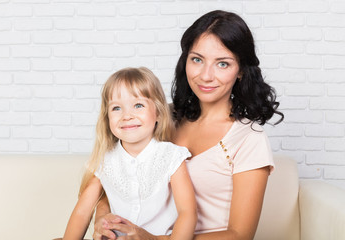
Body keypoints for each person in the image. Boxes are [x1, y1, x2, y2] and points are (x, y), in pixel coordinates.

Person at [93, 10, 284, 240]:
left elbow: (239, 235)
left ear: (241, 70)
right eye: (197, 60)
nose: (206, 76)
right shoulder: (160, 117)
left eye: (222, 64)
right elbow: (116, 180)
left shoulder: (248, 139)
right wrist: (102, 217)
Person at [62, 67, 197, 240]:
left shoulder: (171, 156)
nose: (127, 115)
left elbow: (188, 213)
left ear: (158, 113)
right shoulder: (104, 161)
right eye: (116, 108)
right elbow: (81, 213)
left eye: (138, 105)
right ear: (107, 117)